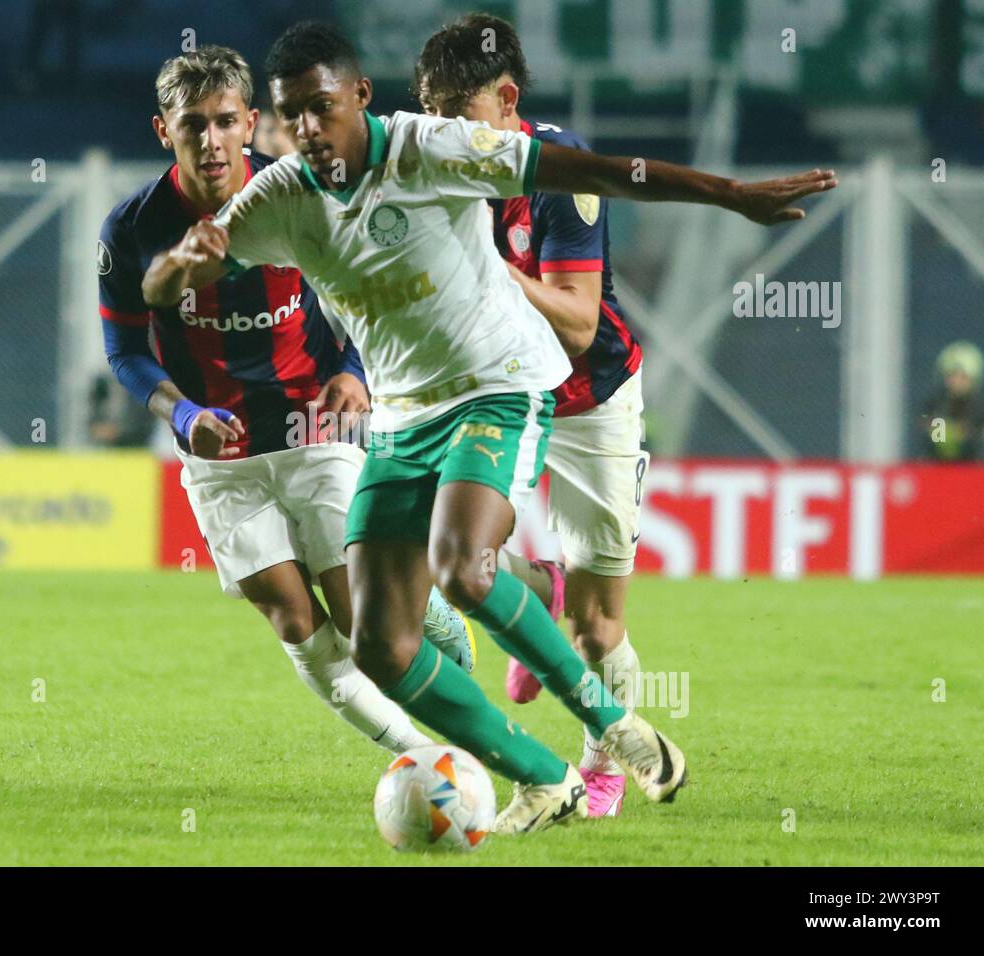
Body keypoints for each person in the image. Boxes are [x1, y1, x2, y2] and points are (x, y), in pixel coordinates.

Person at [142, 21, 836, 833]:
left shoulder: (430, 149)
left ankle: (618, 727)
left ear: (361, 98)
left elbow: (601, 171)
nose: (307, 131)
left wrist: (728, 194)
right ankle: (544, 778)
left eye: (322, 109)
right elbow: (161, 282)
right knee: (380, 644)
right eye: (291, 115)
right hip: (403, 418)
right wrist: (180, 264)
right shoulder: (281, 197)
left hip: (499, 385)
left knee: (464, 568)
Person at [99, 45, 475, 757]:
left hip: (313, 428)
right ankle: (424, 758)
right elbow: (125, 352)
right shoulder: (132, 229)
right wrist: (183, 415)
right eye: (191, 126)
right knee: (294, 619)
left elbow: (377, 295)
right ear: (162, 131)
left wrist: (357, 369)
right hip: (219, 453)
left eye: (223, 122)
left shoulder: (301, 194)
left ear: (250, 123)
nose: (209, 142)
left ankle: (427, 619)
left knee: (364, 622)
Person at [413, 12, 654, 818]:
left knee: (597, 627)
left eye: (460, 115)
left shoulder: (561, 170)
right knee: (456, 561)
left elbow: (581, 323)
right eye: (432, 114)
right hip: (497, 392)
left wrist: (490, 271)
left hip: (589, 399)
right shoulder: (434, 171)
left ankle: (605, 760)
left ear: (508, 99)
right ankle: (533, 585)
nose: (444, 133)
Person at [919, 341, 984, 461]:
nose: (956, 381)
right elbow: (935, 440)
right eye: (952, 376)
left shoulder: (983, 409)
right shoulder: (936, 405)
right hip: (939, 468)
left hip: (974, 469)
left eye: (963, 377)